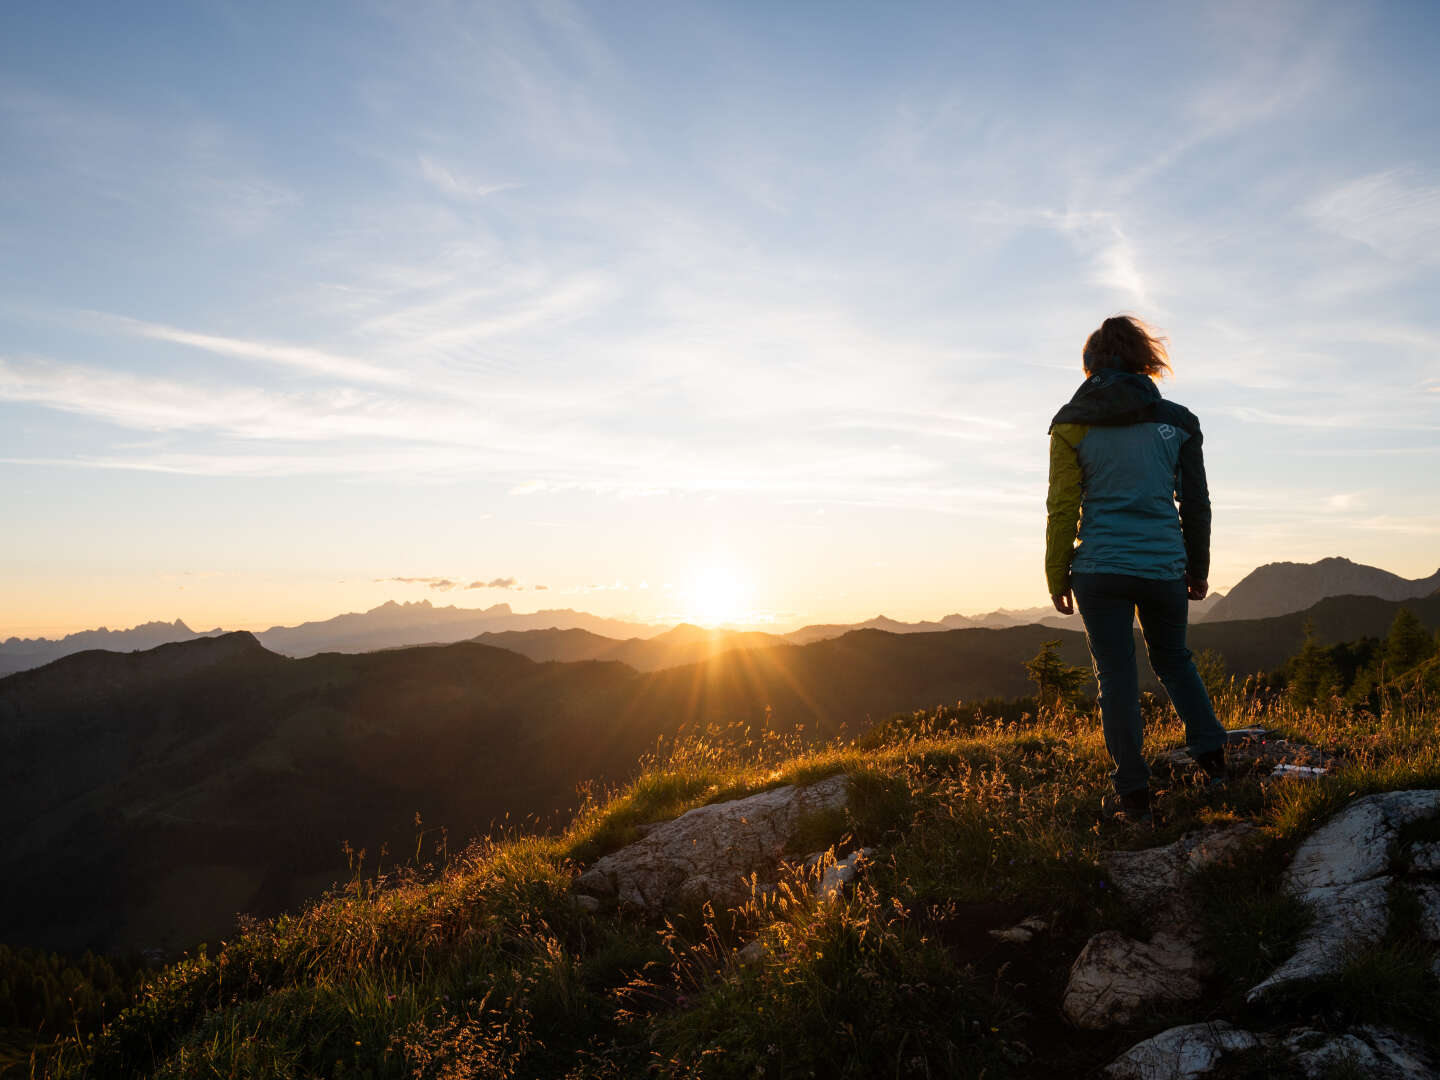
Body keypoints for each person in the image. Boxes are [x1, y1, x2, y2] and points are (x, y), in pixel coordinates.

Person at [1044, 315, 1227, 824]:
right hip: (1163, 565)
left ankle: (1134, 795)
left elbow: (1062, 507)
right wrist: (1197, 566)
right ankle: (1212, 757)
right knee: (1173, 659)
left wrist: (1057, 574)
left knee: (1116, 675)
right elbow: (1196, 503)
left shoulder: (1070, 423)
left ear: (1092, 365)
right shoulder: (1180, 421)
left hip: (1099, 568)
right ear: (1144, 359)